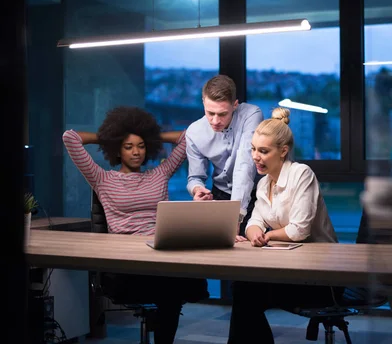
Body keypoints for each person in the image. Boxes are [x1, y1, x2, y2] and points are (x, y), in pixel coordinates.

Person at [62, 106, 208, 344]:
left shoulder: (159, 174)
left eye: (141, 146)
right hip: (126, 264)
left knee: (174, 286)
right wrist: (113, 135)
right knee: (170, 290)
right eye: (128, 147)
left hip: (159, 256)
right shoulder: (102, 179)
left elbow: (187, 138)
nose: (136, 152)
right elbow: (70, 138)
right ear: (117, 150)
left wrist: (150, 135)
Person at [227, 107, 341, 344]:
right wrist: (254, 231)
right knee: (243, 289)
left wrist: (266, 236)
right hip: (289, 269)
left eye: (264, 151)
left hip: (322, 278)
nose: (256, 156)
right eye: (253, 149)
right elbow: (254, 221)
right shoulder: (263, 184)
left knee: (246, 293)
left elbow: (299, 230)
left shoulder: (302, 174)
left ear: (283, 151)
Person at [185, 74, 263, 240]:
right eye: (210, 113)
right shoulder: (194, 132)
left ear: (235, 105)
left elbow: (245, 166)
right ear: (203, 102)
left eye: (222, 114)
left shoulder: (251, 114)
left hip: (256, 195)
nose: (215, 121)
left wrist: (234, 217)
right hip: (219, 195)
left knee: (254, 251)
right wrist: (197, 190)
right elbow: (195, 177)